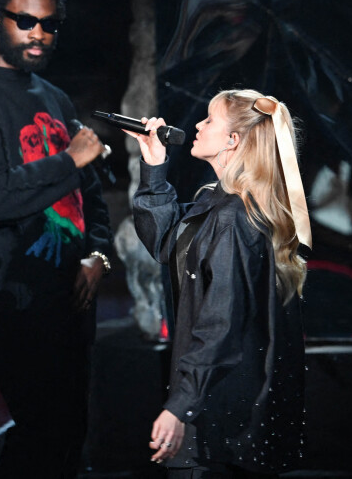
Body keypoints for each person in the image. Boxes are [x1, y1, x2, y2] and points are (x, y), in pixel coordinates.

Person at [0, 0, 113, 478]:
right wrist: (71, 160)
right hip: (12, 291)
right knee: (44, 428)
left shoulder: (52, 96)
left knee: (71, 429)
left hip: (71, 290)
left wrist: (98, 253)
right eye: (24, 21)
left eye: (49, 24)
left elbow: (91, 195)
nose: (38, 33)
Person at [127, 89, 312, 478]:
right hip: (222, 407)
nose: (197, 125)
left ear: (233, 140)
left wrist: (181, 405)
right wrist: (155, 168)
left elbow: (220, 323)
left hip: (219, 413)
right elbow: (167, 244)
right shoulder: (221, 201)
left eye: (209, 120)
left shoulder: (234, 218)